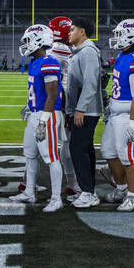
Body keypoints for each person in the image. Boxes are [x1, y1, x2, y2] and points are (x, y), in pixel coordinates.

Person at [100, 19, 134, 211]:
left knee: (129, 156)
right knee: (109, 151)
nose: (117, 38)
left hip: (130, 114)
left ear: (132, 36)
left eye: (120, 34)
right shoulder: (124, 56)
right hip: (117, 113)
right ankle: (122, 189)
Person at [12, 24, 64, 211]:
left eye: (28, 41)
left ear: (39, 41)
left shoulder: (49, 62)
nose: (26, 45)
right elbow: (39, 92)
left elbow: (52, 95)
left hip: (46, 115)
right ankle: (29, 192)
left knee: (50, 157)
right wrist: (30, 107)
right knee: (30, 155)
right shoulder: (35, 62)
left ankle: (56, 198)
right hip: (35, 114)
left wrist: (43, 120)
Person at [64, 18, 103, 209]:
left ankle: (87, 192)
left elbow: (90, 83)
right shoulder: (81, 52)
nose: (69, 33)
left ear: (82, 32)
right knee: (85, 149)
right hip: (83, 109)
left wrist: (80, 109)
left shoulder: (87, 52)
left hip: (86, 111)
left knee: (78, 149)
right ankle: (88, 190)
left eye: (72, 30)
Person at [46, 16, 80, 197]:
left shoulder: (51, 49)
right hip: (61, 103)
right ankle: (72, 183)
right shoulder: (62, 50)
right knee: (67, 143)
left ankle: (25, 183)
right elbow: (65, 83)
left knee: (38, 145)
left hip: (48, 102)